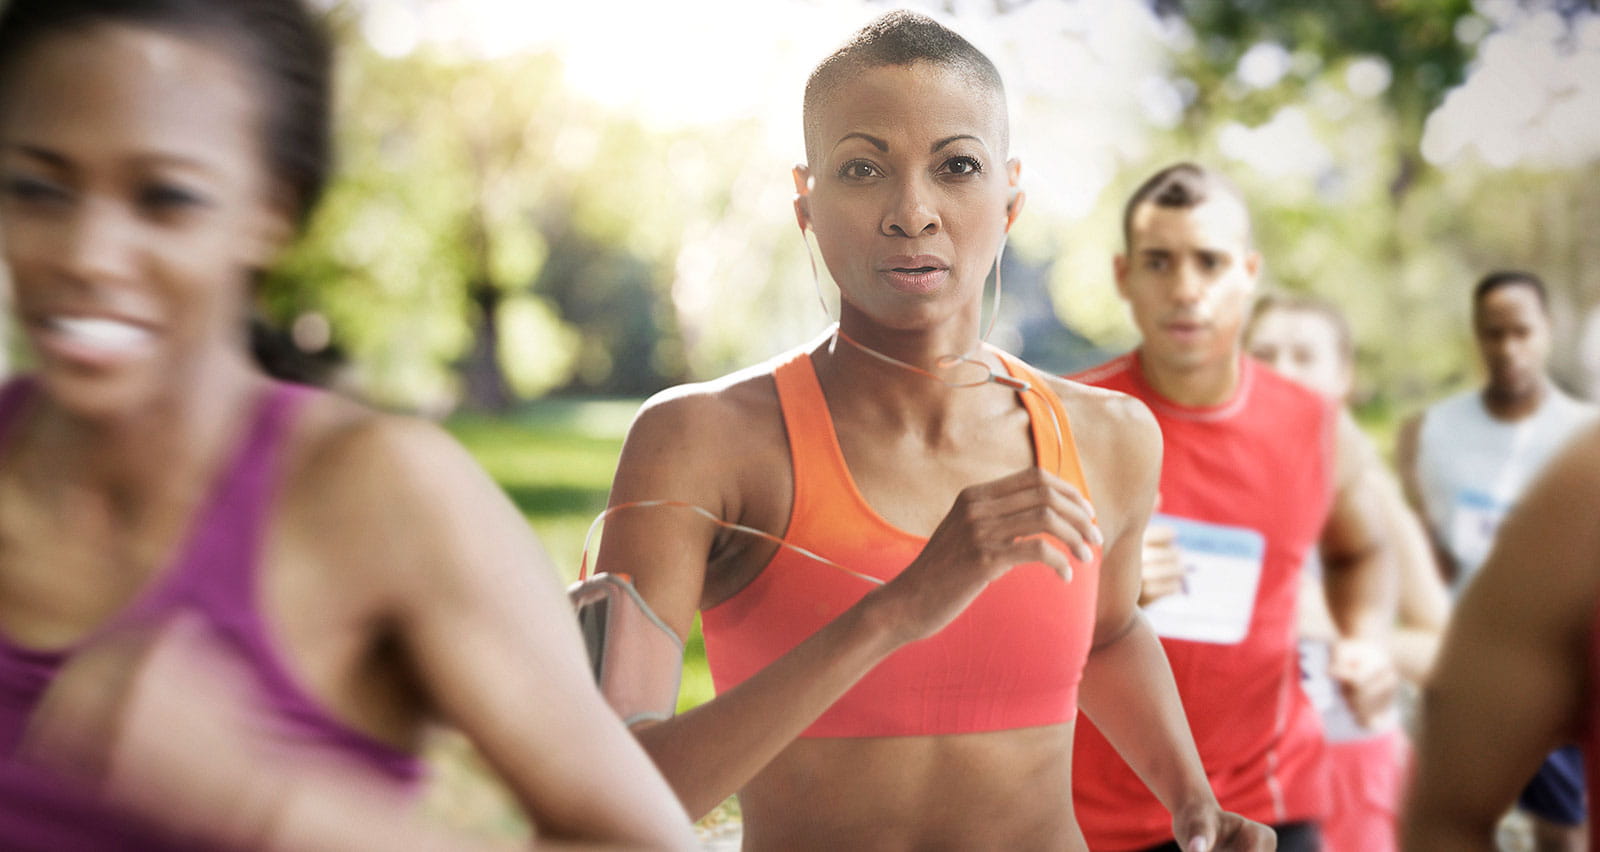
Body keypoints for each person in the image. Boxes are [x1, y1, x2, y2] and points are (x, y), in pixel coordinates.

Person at [0, 0, 697, 848]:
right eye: (39, 188)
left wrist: (268, 801)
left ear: (272, 213)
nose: (86, 253)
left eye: (165, 199)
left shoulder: (383, 494)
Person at [592, 12, 1273, 851]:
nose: (912, 212)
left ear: (1011, 198)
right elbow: (606, 787)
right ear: (806, 201)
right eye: (862, 168)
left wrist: (1190, 797)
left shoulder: (1111, 436)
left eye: (956, 166)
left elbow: (1107, 633)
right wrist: (899, 609)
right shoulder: (698, 442)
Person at [1069, 163, 1398, 852]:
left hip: (1266, 804)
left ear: (1248, 271)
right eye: (1159, 262)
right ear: (1124, 275)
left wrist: (1364, 642)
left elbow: (1361, 551)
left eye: (1209, 263)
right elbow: (986, 611)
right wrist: (1101, 591)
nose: (1186, 290)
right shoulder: (1066, 419)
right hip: (1089, 817)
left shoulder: (1315, 425)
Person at [1396, 270, 1599, 851]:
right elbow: (1425, 552)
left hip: (1560, 666)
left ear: (1548, 332)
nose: (1508, 349)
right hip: (1466, 669)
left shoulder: (1581, 438)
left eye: (1522, 332)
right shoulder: (1429, 433)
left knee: (1562, 830)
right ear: (1476, 336)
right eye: (1494, 333)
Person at [1246, 292, 1452, 852]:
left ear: (1343, 376)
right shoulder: (1203, 485)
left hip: (1352, 775)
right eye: (1263, 353)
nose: (1282, 371)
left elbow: (1447, 654)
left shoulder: (1372, 496)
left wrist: (1341, 627)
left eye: (1303, 356)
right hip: (1234, 782)